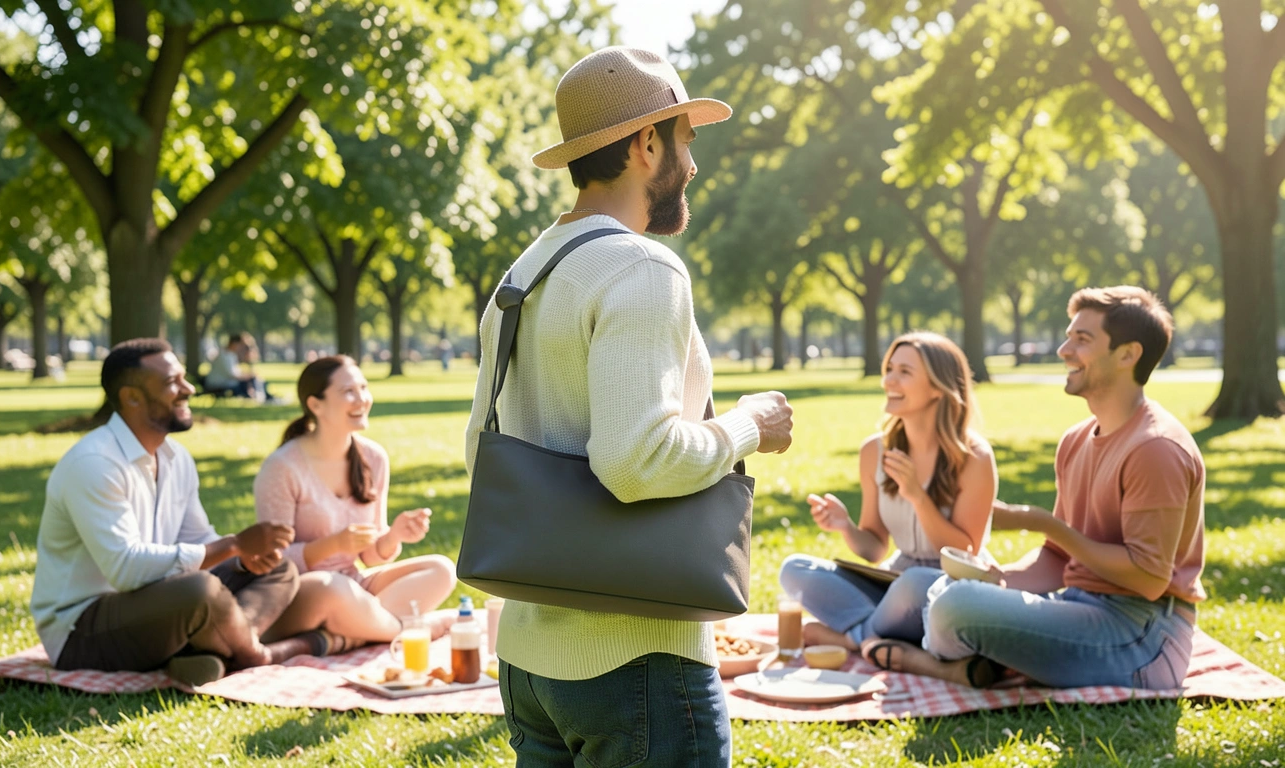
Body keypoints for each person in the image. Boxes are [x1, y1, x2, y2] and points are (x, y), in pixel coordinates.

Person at [463, 46, 794, 767]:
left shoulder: (523, 274)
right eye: (686, 141)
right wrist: (750, 427)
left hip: (527, 659)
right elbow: (635, 462)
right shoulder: (642, 267)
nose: (694, 167)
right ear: (648, 143)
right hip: (637, 658)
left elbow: (479, 449)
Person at [863, 287, 1206, 690]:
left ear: (1128, 354)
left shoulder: (1155, 449)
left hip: (1142, 633)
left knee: (953, 607)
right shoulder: (1076, 440)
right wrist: (996, 580)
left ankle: (928, 660)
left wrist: (1041, 522)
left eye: (1082, 340)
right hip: (1078, 605)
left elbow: (1148, 579)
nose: (1064, 349)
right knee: (929, 584)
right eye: (1068, 336)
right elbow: (1057, 561)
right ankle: (973, 655)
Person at [30, 339, 320, 687]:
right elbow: (125, 569)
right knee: (200, 590)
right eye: (172, 383)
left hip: (156, 603)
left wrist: (244, 558)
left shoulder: (175, 457)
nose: (189, 389)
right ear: (131, 397)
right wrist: (232, 545)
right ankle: (256, 655)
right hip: (83, 630)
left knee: (279, 569)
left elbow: (197, 539)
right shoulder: (95, 464)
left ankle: (208, 656)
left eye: (184, 378)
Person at [780, 332, 997, 652]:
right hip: (895, 583)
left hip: (951, 586)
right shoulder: (874, 451)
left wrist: (917, 496)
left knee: (912, 584)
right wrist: (846, 527)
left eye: (904, 372)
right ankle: (890, 634)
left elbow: (966, 550)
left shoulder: (975, 457)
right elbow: (874, 549)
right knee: (795, 569)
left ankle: (854, 638)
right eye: (889, 369)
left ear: (938, 388)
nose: (888, 381)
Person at [255, 356, 456, 651]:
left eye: (364, 387)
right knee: (333, 587)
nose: (362, 399)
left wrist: (394, 536)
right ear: (315, 405)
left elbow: (370, 556)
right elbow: (271, 561)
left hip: (355, 587)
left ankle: (346, 637)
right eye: (348, 391)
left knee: (442, 569)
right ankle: (404, 628)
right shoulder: (282, 467)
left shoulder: (373, 459)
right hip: (300, 591)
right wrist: (333, 544)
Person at [207, 333, 272, 401]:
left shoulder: (230, 355)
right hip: (219, 384)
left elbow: (236, 372)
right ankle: (261, 397)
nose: (240, 348)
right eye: (240, 345)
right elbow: (233, 375)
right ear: (234, 343)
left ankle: (263, 396)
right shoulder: (224, 356)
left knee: (254, 379)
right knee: (250, 380)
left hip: (227, 382)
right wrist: (249, 376)